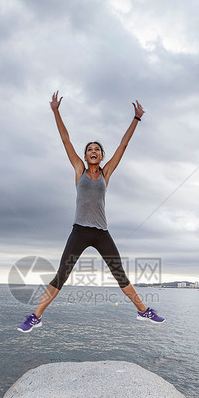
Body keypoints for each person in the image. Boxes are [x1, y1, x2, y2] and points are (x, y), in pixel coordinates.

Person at [17, 91, 165, 332]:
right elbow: (65, 140)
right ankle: (36, 316)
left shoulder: (106, 173)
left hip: (102, 233)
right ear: (85, 157)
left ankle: (143, 311)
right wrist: (56, 112)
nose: (93, 151)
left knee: (120, 275)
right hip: (80, 231)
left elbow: (123, 145)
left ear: (102, 156)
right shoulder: (79, 170)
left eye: (97, 149)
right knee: (61, 276)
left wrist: (136, 119)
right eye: (89, 150)